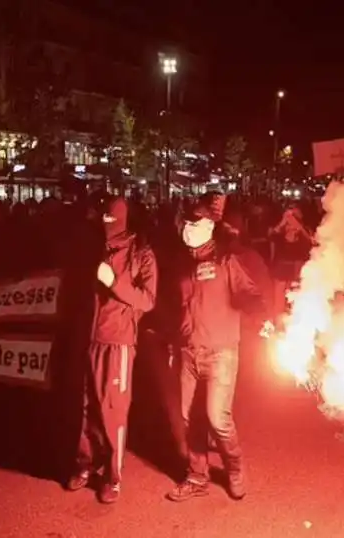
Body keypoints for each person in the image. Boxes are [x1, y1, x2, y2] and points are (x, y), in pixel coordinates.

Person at [165, 192, 264, 503]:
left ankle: (234, 468)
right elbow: (176, 307)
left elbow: (249, 293)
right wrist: (173, 342)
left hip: (221, 352)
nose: (188, 228)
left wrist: (261, 314)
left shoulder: (226, 260)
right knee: (188, 417)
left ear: (209, 226)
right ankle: (197, 476)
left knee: (217, 418)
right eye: (186, 222)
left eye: (195, 222)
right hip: (188, 351)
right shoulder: (180, 262)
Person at [66, 196, 158, 504]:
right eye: (104, 217)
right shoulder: (95, 247)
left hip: (118, 343)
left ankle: (113, 478)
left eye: (113, 218)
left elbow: (147, 300)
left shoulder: (142, 254)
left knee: (113, 412)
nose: (107, 223)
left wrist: (115, 282)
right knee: (87, 407)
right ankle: (86, 464)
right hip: (90, 339)